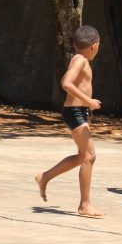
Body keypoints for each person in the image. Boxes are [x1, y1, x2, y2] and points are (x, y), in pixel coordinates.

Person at [35, 25, 105, 218]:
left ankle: (44, 176)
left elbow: (65, 78)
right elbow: (66, 84)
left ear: (75, 45)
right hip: (75, 111)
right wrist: (89, 101)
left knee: (83, 156)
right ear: (94, 46)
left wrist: (86, 104)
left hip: (78, 111)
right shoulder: (81, 60)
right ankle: (85, 205)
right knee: (89, 156)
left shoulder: (77, 59)